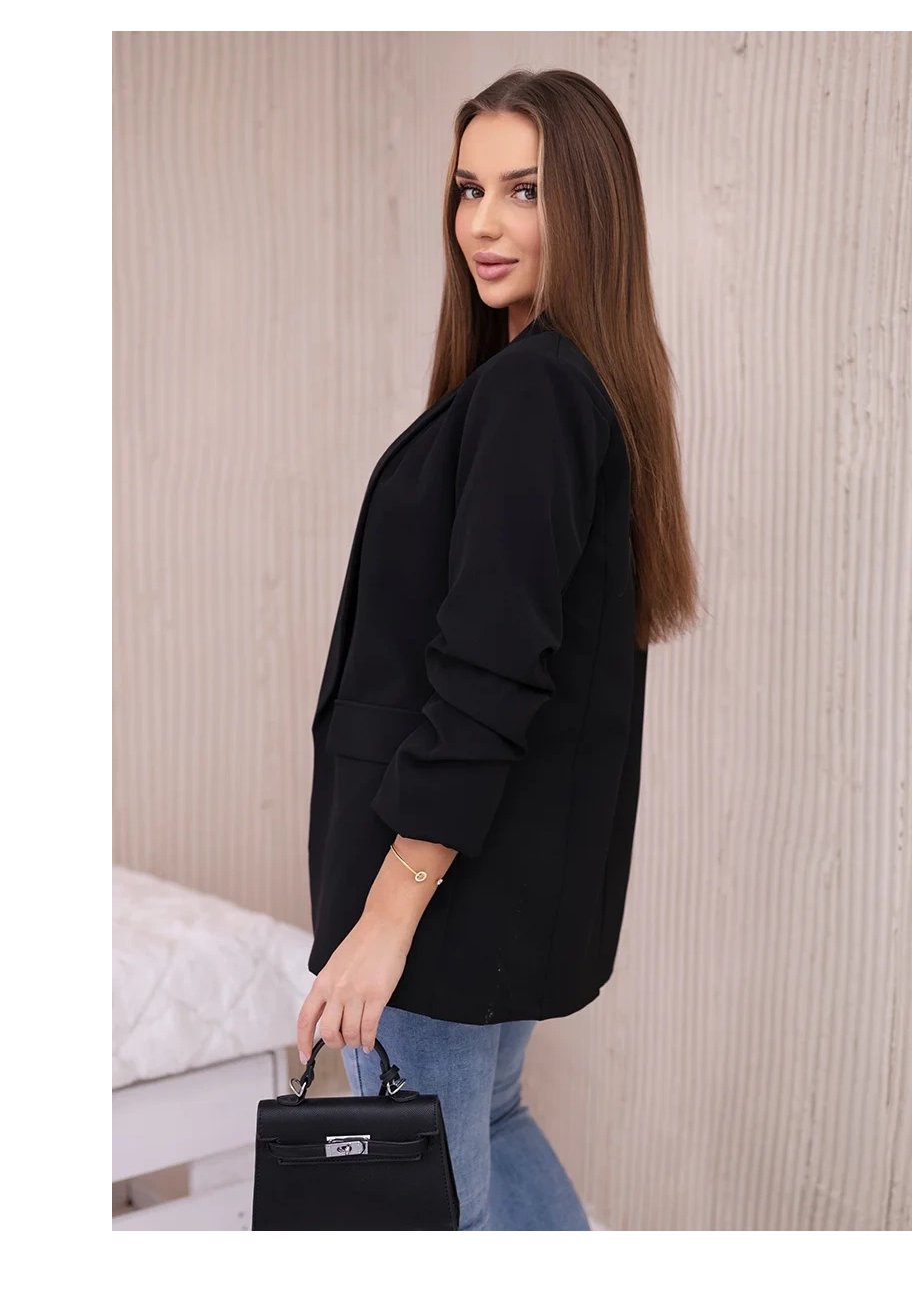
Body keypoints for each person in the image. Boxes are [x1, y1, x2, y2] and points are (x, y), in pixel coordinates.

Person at [297, 67, 700, 1230]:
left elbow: (487, 675)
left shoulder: (534, 394)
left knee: (423, 1212)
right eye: (468, 189)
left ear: (591, 206)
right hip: (493, 882)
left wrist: (387, 917)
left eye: (524, 190)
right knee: (494, 1124)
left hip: (439, 895)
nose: (483, 222)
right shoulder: (574, 384)